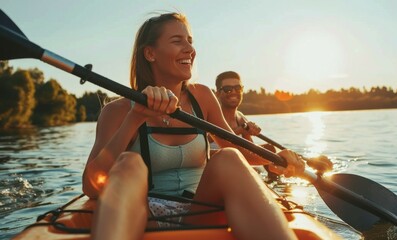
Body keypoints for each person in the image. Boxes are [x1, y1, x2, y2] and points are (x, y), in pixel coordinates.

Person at [82, 12, 304, 240]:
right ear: (150, 53)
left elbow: (238, 148)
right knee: (129, 162)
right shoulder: (117, 110)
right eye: (178, 41)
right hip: (143, 218)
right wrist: (135, 118)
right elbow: (91, 186)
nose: (190, 49)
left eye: (190, 41)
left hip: (202, 212)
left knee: (228, 157)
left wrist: (275, 158)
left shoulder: (203, 96)